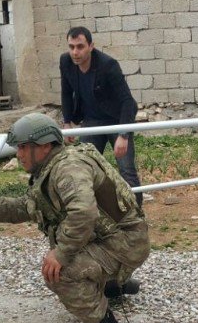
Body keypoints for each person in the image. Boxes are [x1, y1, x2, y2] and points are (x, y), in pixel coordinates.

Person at [0, 113, 151, 323]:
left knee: (59, 272)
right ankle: (111, 285)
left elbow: (84, 212)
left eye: (23, 147)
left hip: (126, 243)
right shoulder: (54, 166)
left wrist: (62, 253)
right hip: (114, 238)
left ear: (44, 146)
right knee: (68, 250)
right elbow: (31, 206)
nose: (18, 154)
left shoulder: (68, 168)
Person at [59, 26, 143, 209]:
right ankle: (88, 213)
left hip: (116, 120)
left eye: (80, 46)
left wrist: (123, 134)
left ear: (91, 46)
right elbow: (66, 93)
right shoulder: (66, 62)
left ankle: (136, 214)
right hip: (91, 121)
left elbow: (128, 102)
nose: (75, 52)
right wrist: (67, 122)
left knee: (126, 170)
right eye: (71, 46)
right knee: (83, 167)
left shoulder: (108, 65)